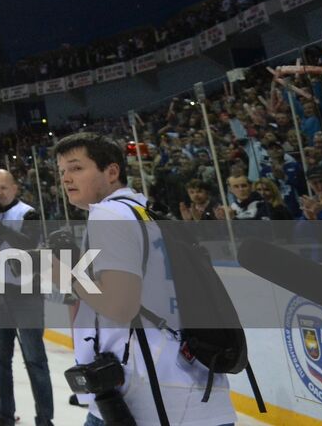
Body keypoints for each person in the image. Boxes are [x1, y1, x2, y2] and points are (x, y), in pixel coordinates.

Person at [52, 132, 234, 426]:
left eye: (76, 168)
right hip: (186, 385)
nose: (66, 178)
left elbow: (120, 305)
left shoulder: (108, 214)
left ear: (112, 171)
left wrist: (65, 275)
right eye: (62, 171)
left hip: (149, 397)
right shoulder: (144, 211)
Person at [0, 169, 54, 426]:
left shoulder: (28, 213)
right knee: (1, 359)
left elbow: (28, 244)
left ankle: (44, 420)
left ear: (15, 188)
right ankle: (5, 412)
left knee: (35, 360)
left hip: (27, 294)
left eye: (4, 187)